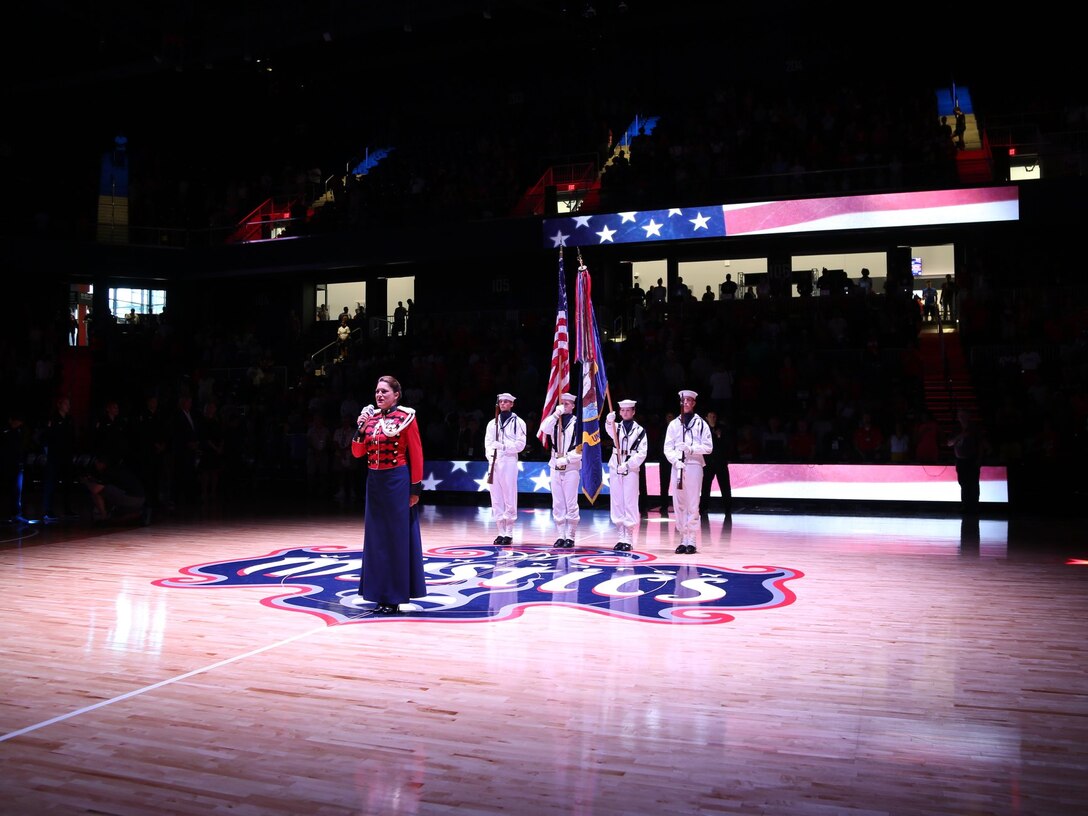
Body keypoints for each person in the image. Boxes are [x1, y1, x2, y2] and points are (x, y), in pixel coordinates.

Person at [352, 375, 427, 614]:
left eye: (385, 391)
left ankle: (393, 596)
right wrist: (360, 428)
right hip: (374, 483)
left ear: (396, 395)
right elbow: (357, 453)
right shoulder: (371, 418)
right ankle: (377, 593)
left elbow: (416, 452)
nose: (379, 395)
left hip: (397, 481)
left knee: (395, 539)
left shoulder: (406, 417)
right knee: (376, 540)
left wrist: (415, 488)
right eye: (377, 391)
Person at [663, 390, 713, 554]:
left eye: (689, 401)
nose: (686, 403)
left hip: (694, 464)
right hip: (678, 465)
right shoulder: (674, 424)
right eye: (683, 401)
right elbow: (667, 448)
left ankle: (691, 539)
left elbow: (708, 447)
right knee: (679, 503)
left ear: (694, 403)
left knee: (692, 502)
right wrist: (675, 460)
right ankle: (682, 538)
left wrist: (691, 449)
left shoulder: (701, 424)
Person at [537, 392, 582, 548]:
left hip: (571, 467)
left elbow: (582, 448)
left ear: (573, 406)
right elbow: (543, 428)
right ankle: (560, 534)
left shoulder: (578, 423)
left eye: (567, 404)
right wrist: (556, 414)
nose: (564, 406)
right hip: (555, 465)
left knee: (570, 501)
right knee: (558, 502)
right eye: (562, 403)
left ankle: (570, 535)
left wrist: (568, 458)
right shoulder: (556, 421)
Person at [483, 392, 527, 546]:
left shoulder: (519, 422)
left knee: (509, 495)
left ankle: (508, 532)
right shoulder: (491, 423)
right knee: (496, 498)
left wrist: (503, 447)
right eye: (500, 401)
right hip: (494, 462)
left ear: (512, 404)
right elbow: (488, 443)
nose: (502, 404)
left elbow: (520, 445)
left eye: (506, 402)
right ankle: (500, 531)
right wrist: (490, 457)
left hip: (509, 460)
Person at [604, 399, 647, 551]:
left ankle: (628, 537)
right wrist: (609, 421)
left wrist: (628, 464)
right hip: (616, 464)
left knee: (630, 500)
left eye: (628, 410)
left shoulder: (640, 430)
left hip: (631, 467)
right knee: (617, 501)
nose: (625, 413)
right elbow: (609, 430)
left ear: (633, 412)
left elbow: (642, 453)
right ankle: (620, 536)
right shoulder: (616, 427)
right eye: (622, 410)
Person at [81, 452, 151, 525]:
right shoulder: (118, 469)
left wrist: (86, 482)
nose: (96, 466)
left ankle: (103, 517)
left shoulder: (108, 472)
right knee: (115, 518)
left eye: (96, 463)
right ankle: (140, 515)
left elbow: (96, 490)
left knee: (98, 491)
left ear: (101, 463)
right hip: (140, 499)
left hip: (132, 499)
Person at [41, 395, 77, 522]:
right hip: (54, 456)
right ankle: (47, 510)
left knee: (68, 484)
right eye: (66, 404)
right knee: (51, 483)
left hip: (66, 456)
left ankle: (67, 509)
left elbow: (72, 437)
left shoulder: (69, 419)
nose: (68, 406)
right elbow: (46, 436)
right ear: (59, 404)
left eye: (69, 404)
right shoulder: (53, 418)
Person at [947, 408, 983, 513]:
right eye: (959, 415)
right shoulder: (956, 429)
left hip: (972, 459)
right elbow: (949, 443)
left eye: (963, 415)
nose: (961, 418)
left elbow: (980, 444)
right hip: (960, 460)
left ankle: (974, 506)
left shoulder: (974, 428)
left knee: (974, 483)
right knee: (963, 483)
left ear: (968, 416)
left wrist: (979, 459)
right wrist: (960, 436)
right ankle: (965, 505)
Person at [701, 409, 732, 514]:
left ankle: (728, 508)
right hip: (708, 463)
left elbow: (727, 444)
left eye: (714, 416)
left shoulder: (722, 429)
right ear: (706, 418)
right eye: (710, 416)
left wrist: (719, 437)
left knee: (725, 486)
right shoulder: (703, 430)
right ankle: (703, 508)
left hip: (721, 462)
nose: (713, 418)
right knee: (705, 486)